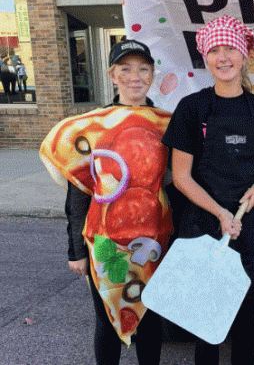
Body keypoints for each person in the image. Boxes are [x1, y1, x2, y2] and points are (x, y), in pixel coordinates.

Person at [39, 40, 174, 365]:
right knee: (107, 323)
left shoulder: (167, 125)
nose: (134, 76)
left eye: (143, 69)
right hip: (104, 244)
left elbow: (178, 186)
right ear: (112, 75)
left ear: (152, 75)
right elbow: (78, 194)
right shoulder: (91, 127)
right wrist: (76, 250)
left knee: (150, 321)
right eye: (125, 69)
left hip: (154, 242)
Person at [161, 15, 254, 364]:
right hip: (204, 223)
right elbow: (181, 177)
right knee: (206, 322)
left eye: (230, 47)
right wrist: (219, 212)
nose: (223, 57)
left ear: (244, 54)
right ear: (205, 57)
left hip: (250, 224)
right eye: (214, 50)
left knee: (246, 316)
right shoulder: (192, 108)